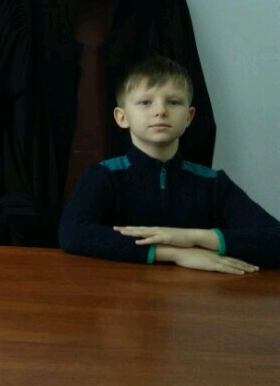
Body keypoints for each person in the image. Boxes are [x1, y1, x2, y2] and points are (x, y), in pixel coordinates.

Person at [59, 55, 280, 274]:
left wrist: (191, 238)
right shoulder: (103, 175)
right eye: (145, 102)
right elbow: (72, 233)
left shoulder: (213, 184)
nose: (161, 111)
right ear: (122, 117)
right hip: (123, 292)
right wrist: (175, 253)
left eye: (173, 102)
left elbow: (274, 238)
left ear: (189, 117)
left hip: (193, 294)